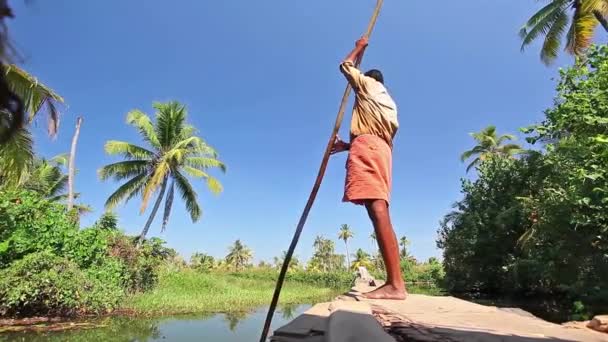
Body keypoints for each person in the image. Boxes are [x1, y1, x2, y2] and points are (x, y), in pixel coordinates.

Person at [330, 36, 406, 300]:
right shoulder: (388, 103)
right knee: (379, 210)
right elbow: (375, 133)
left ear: (371, 79)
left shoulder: (369, 86)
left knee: (377, 208)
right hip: (380, 150)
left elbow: (345, 65)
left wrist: (359, 47)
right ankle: (395, 282)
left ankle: (396, 285)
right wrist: (346, 146)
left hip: (370, 148)